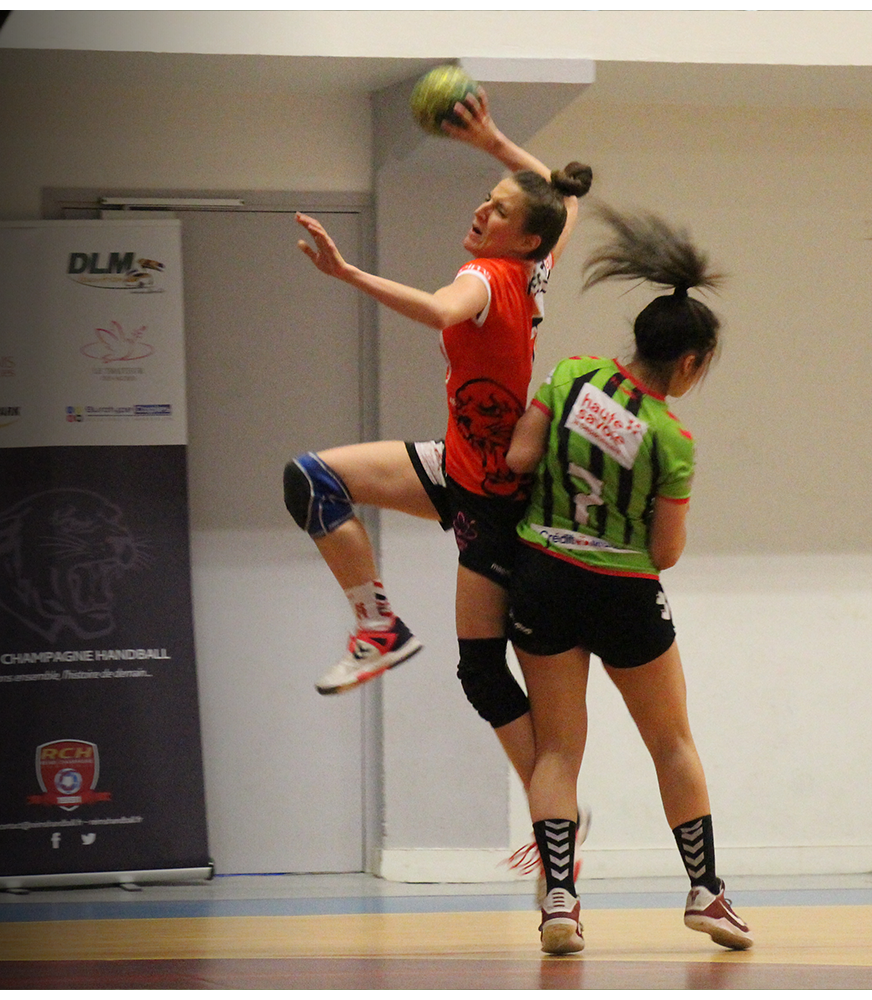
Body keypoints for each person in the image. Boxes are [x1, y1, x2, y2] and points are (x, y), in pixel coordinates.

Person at [285, 88, 592, 789]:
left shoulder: (485, 276)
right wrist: (493, 142)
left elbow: (437, 309)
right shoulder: (535, 267)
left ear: (524, 238)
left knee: (483, 671)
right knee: (313, 479)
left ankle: (552, 810)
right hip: (459, 464)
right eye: (488, 199)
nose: (482, 211)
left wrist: (347, 273)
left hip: (495, 499)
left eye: (500, 211)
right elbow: (566, 202)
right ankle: (378, 628)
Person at [503, 207, 752, 955]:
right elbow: (666, 552)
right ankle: (706, 894)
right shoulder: (672, 440)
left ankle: (559, 901)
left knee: (557, 750)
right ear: (690, 364)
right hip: (622, 593)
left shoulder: (572, 375)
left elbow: (518, 458)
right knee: (671, 741)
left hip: (542, 575)